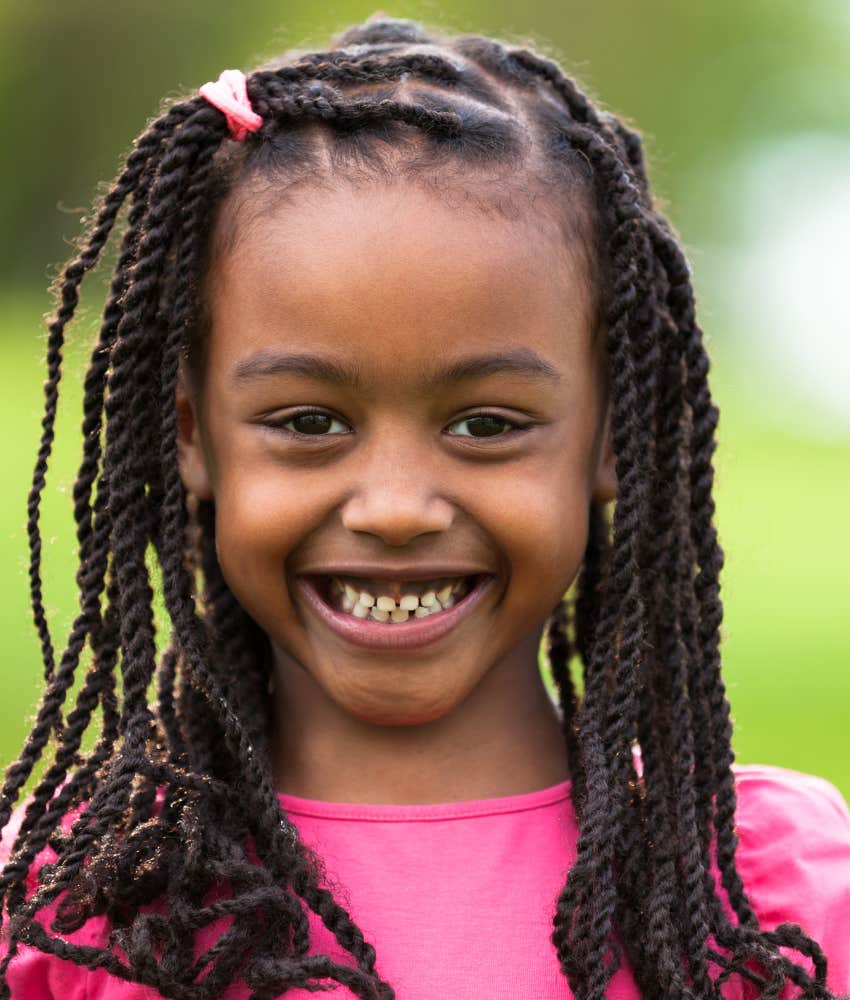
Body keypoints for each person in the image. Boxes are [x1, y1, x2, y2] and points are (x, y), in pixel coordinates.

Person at [0, 12, 847, 999]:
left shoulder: (763, 895)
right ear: (193, 436)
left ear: (614, 436)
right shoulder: (81, 904)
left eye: (485, 424)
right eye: (309, 420)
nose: (395, 508)